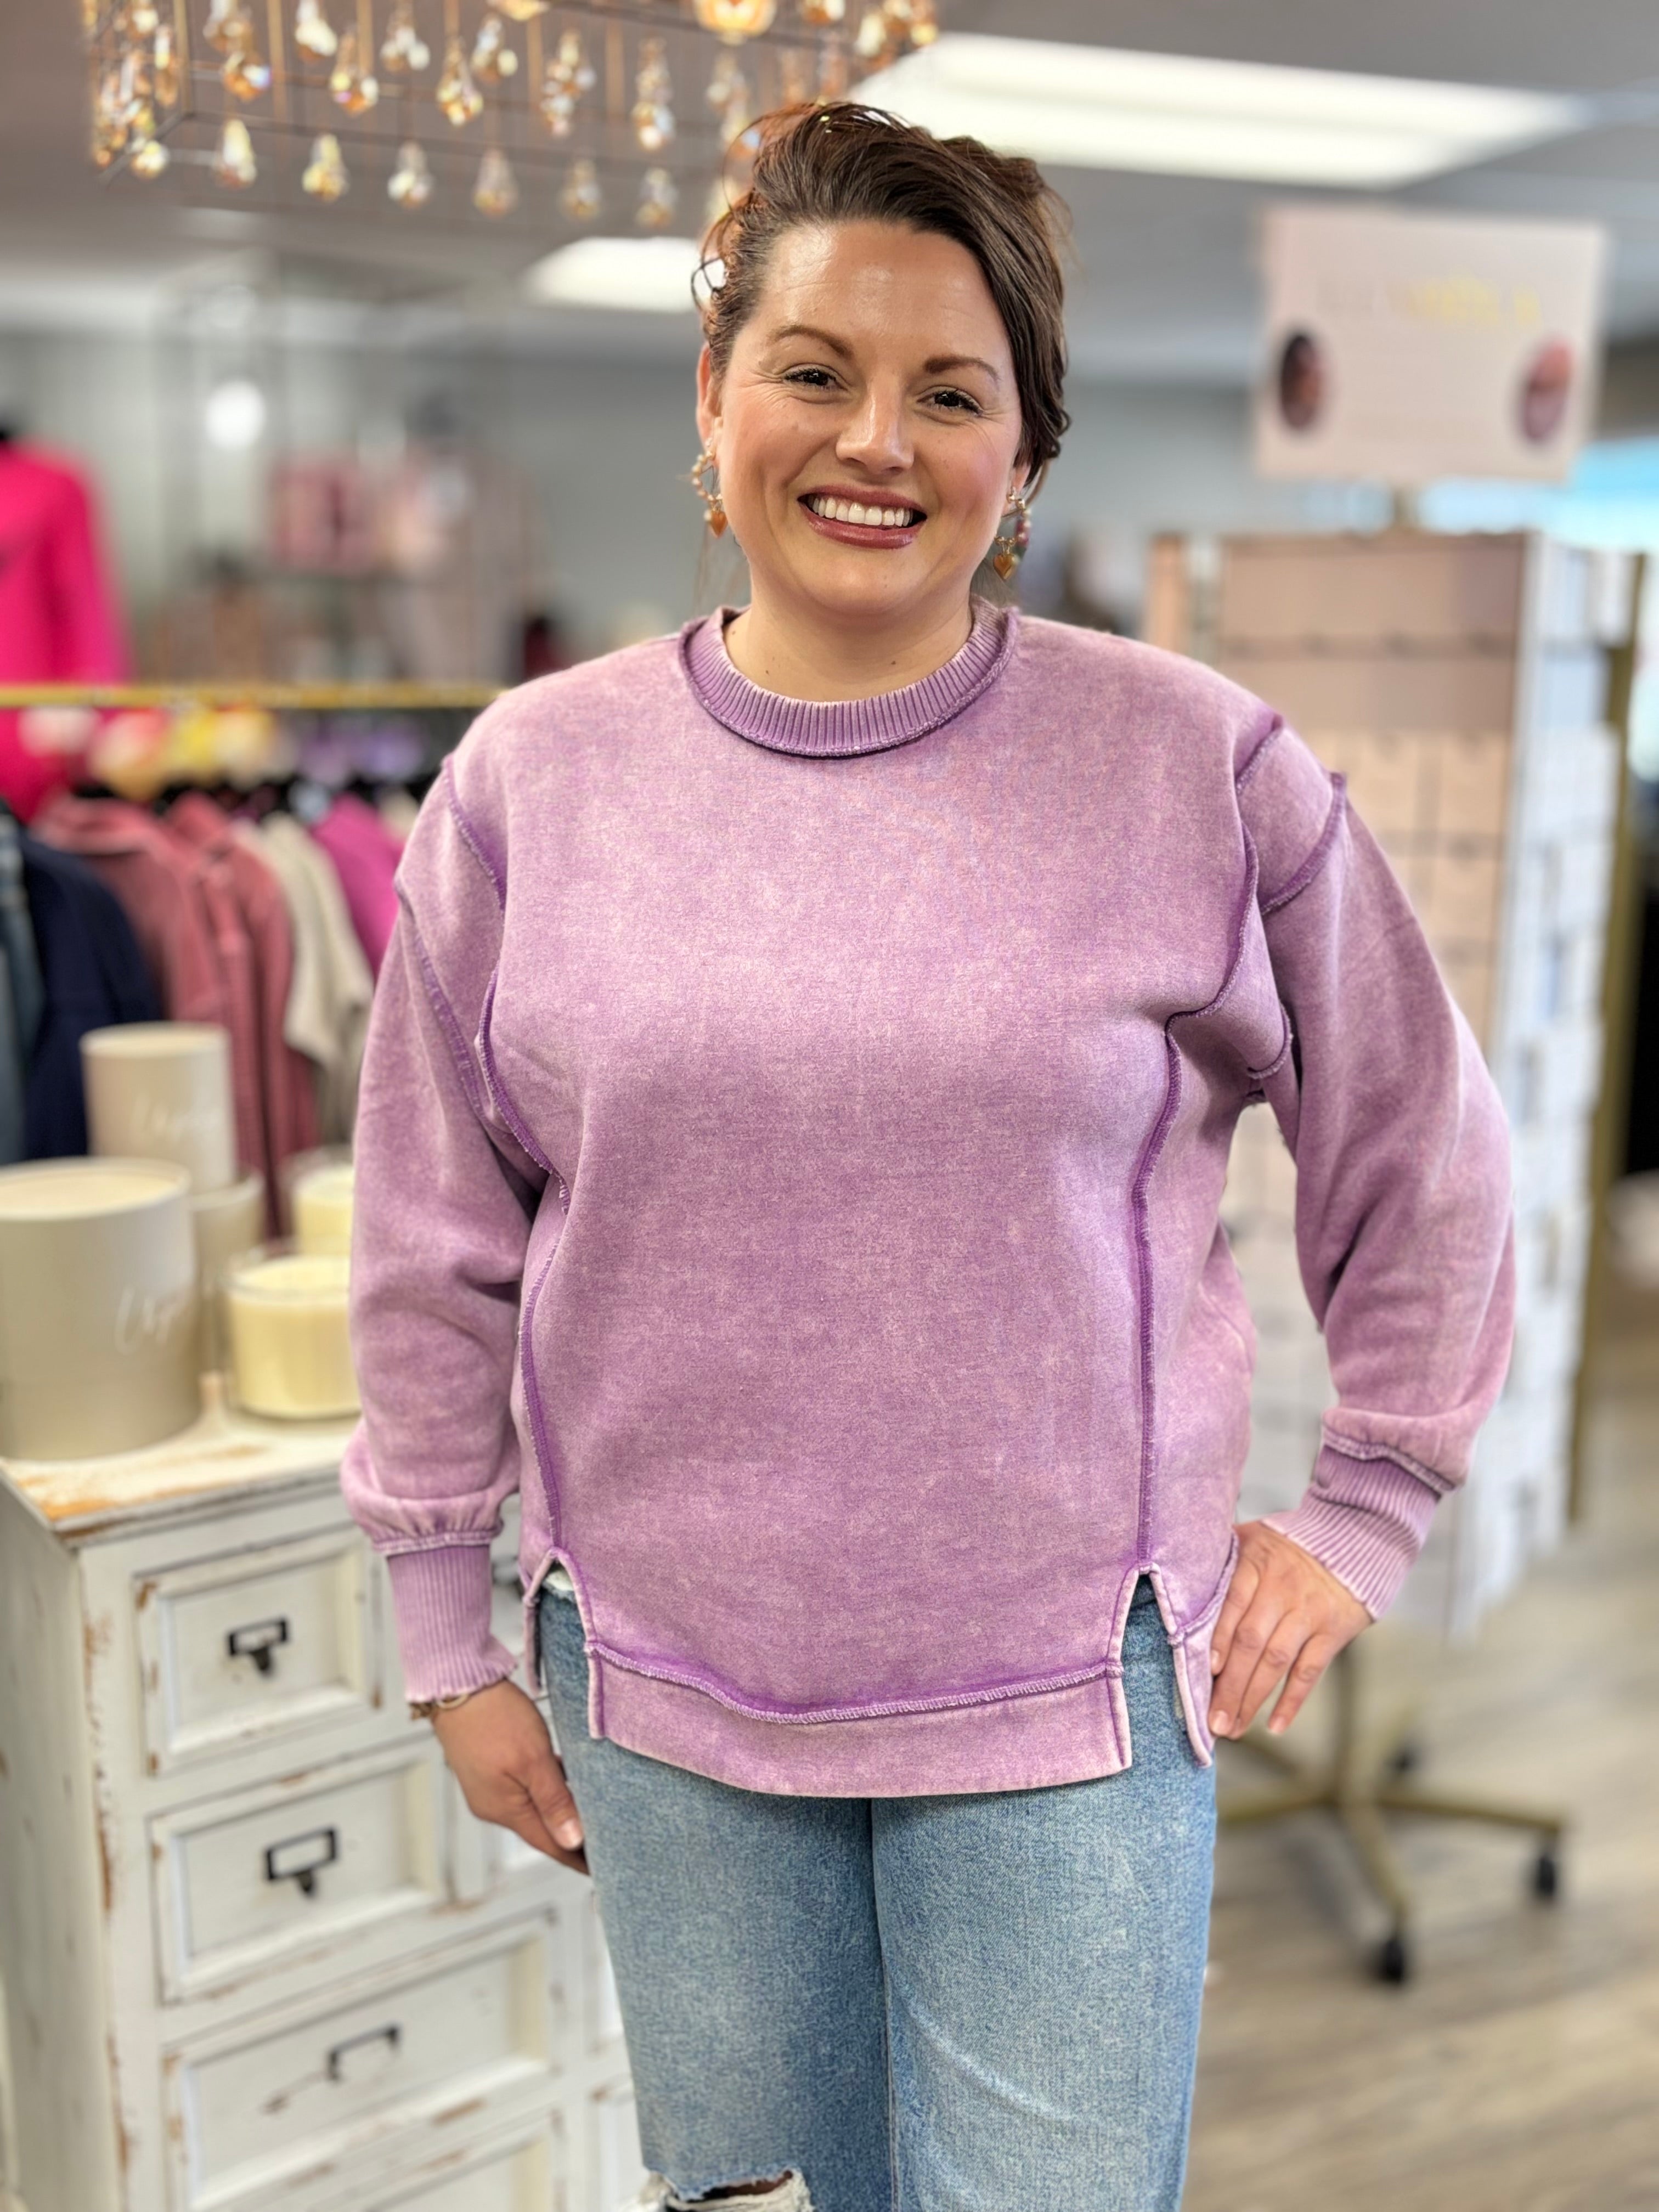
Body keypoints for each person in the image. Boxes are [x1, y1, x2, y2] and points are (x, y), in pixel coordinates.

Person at [341, 104, 1515, 2212]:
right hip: (670, 1697)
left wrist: (1370, 1502)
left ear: (1025, 455)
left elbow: (1421, 1139)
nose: (875, 441)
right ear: (714, 404)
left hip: (1066, 1707)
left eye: (951, 394)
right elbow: (436, 1234)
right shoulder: (532, 787)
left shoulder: (1194, 767)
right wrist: (445, 1625)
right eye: (815, 370)